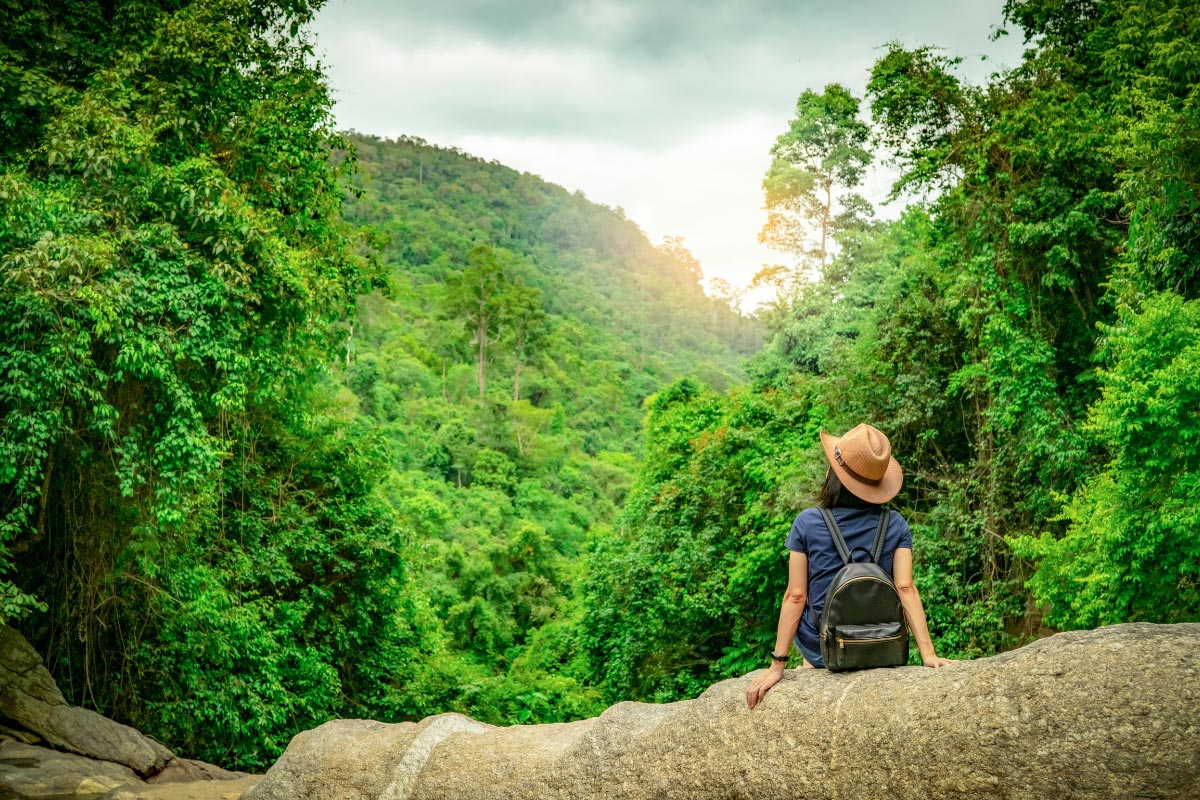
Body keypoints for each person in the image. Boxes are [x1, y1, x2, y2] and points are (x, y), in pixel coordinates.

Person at [746, 423, 952, 709]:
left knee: (814, 617)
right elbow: (906, 588)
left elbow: (796, 596)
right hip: (882, 646)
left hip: (823, 650)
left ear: (834, 474)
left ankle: (814, 666)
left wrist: (777, 665)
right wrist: (928, 655)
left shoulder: (807, 523)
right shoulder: (896, 524)